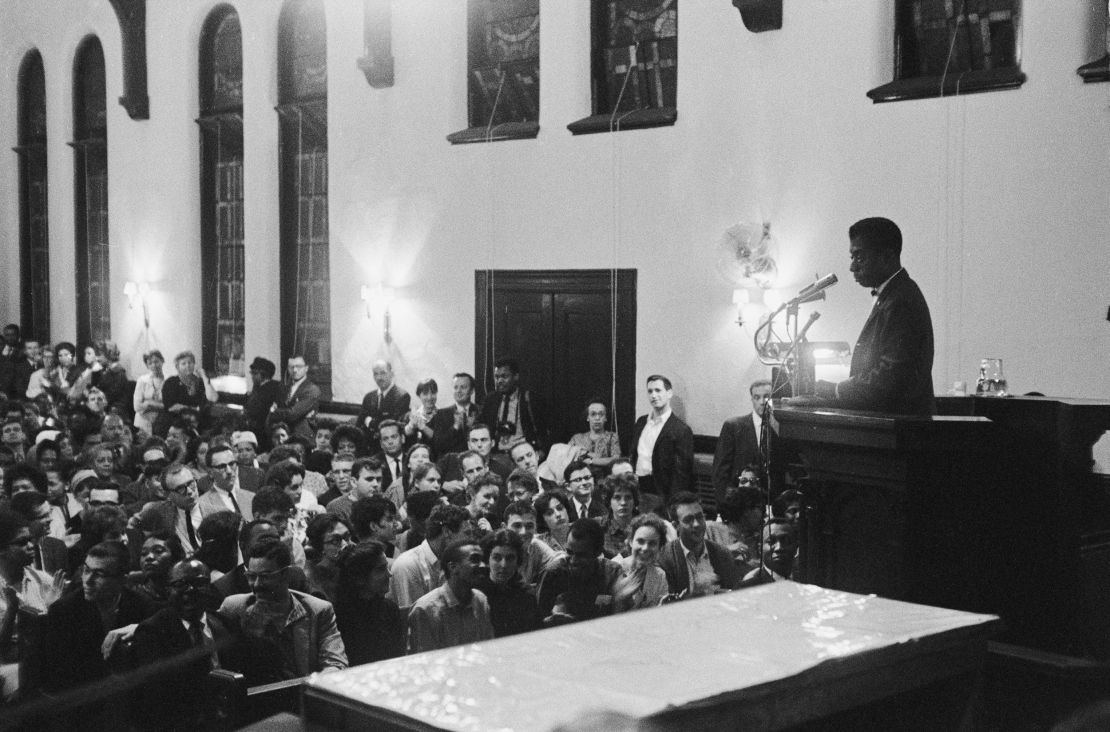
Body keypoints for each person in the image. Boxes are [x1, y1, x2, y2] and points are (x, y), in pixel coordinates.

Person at [813, 217, 935, 415]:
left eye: (859, 258)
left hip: (898, 432)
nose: (852, 267)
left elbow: (892, 376)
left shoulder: (901, 300)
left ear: (887, 256)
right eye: (852, 258)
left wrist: (836, 390)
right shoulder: (894, 295)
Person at [127, 558, 247, 729]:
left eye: (199, 583)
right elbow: (157, 699)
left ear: (209, 588)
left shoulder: (225, 624)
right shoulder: (152, 633)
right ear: (168, 591)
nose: (190, 590)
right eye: (181, 584)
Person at [37, 541, 155, 695]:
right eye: (86, 570)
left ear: (122, 580)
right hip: (84, 699)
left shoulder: (141, 604)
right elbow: (60, 674)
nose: (88, 580)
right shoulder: (63, 611)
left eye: (99, 574)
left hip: (131, 694)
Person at [218, 540, 347, 679]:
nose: (256, 584)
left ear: (286, 575)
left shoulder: (318, 611)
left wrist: (313, 683)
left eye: (265, 577)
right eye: (251, 576)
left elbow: (336, 664)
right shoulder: (234, 609)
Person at [407, 539, 494, 653]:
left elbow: (488, 648)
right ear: (453, 567)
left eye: (483, 560)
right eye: (475, 560)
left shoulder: (480, 600)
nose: (483, 566)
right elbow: (425, 662)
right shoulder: (425, 610)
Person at [535, 518, 625, 624]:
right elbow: (537, 617)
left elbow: (620, 618)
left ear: (598, 552)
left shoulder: (612, 573)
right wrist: (551, 620)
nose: (573, 560)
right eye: (569, 552)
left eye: (581, 555)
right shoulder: (554, 573)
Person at [388, 504, 472, 611]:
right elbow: (414, 619)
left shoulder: (453, 563)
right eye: (467, 533)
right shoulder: (408, 565)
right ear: (446, 532)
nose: (471, 540)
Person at [332, 542, 405, 665]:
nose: (390, 574)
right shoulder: (339, 617)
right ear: (360, 578)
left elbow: (398, 657)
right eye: (381, 569)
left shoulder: (389, 609)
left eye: (387, 567)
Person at [659, 491, 743, 597]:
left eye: (699, 517)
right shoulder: (665, 559)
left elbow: (734, 593)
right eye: (688, 520)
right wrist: (696, 592)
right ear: (676, 526)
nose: (696, 524)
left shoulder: (722, 554)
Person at [630, 375, 693, 509]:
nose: (653, 395)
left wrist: (672, 504)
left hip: (660, 493)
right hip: (636, 489)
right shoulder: (641, 422)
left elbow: (681, 474)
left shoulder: (681, 430)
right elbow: (634, 455)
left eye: (658, 390)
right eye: (650, 391)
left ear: (669, 393)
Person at [712, 379, 772, 503]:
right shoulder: (734, 426)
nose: (762, 402)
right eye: (757, 397)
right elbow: (720, 472)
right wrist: (724, 506)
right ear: (752, 400)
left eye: (766, 397)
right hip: (739, 502)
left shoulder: (780, 429)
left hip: (769, 501)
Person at [474, 529, 540, 637]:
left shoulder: (526, 595)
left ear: (517, 561)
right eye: (497, 558)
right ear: (487, 559)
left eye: (510, 558)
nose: (503, 565)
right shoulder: (476, 592)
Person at [479, 357, 548, 453]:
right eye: (497, 377)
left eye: (504, 376)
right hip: (497, 454)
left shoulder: (529, 398)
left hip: (523, 453)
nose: (499, 381)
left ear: (516, 376)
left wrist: (542, 450)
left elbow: (545, 429)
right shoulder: (490, 400)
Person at [613, 513, 670, 611]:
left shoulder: (659, 576)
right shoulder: (613, 568)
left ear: (660, 547)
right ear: (630, 541)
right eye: (640, 541)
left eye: (652, 543)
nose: (645, 548)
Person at [501, 499, 558, 590]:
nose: (523, 532)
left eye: (529, 526)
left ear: (536, 528)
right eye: (517, 526)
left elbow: (559, 560)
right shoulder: (495, 548)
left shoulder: (535, 546)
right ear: (504, 527)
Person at [357, 360, 411, 443]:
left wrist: (369, 422)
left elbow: (390, 425)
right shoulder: (368, 397)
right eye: (376, 374)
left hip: (389, 446)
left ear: (391, 374)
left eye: (383, 373)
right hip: (368, 446)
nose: (379, 378)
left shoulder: (402, 396)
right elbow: (359, 424)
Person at [199, 443, 258, 519]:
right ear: (210, 472)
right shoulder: (202, 505)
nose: (229, 471)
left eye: (232, 464)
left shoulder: (251, 497)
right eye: (222, 466)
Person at [304, 513, 354, 602]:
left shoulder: (355, 565)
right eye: (335, 541)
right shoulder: (314, 579)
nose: (346, 544)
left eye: (347, 537)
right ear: (320, 547)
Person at [269, 355, 321, 440]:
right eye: (291, 367)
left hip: (303, 437)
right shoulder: (284, 388)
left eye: (299, 367)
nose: (294, 370)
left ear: (306, 368)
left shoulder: (312, 389)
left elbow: (293, 414)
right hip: (283, 435)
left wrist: (274, 411)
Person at [430, 372, 480, 458]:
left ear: (472, 391)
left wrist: (471, 427)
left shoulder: (480, 412)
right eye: (455, 387)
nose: (458, 391)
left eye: (463, 387)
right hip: (451, 464)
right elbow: (438, 446)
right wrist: (455, 427)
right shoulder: (441, 414)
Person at [160, 350, 218, 421]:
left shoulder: (200, 381)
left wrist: (204, 376)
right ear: (177, 367)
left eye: (190, 362)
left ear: (194, 364)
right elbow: (170, 407)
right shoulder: (171, 382)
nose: (187, 366)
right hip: (175, 418)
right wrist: (192, 409)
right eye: (183, 364)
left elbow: (213, 398)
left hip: (197, 419)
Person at [741, 519, 800, 586]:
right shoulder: (748, 588)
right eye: (771, 542)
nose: (779, 547)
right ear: (760, 549)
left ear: (796, 547)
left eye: (786, 541)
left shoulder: (807, 581)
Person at [326, 455, 384, 524]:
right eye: (369, 479)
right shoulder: (337, 507)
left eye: (378, 479)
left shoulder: (386, 501)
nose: (375, 484)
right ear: (353, 482)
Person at [568, 400, 622, 470]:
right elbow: (567, 456)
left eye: (601, 414)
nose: (597, 418)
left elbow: (616, 459)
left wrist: (590, 461)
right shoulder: (577, 438)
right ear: (588, 417)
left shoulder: (612, 437)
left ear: (605, 418)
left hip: (604, 479)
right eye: (593, 414)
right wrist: (586, 453)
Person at [598, 472, 640, 558]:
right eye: (617, 497)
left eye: (628, 497)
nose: (623, 503)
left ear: (634, 500)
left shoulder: (644, 525)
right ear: (609, 501)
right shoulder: (599, 526)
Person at [244, 356, 281, 442]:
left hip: (263, 433)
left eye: (255, 373)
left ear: (264, 374)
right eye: (251, 373)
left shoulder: (273, 389)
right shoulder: (257, 387)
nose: (252, 376)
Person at [405, 378, 438, 447]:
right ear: (419, 395)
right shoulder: (412, 415)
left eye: (433, 393)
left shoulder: (443, 415)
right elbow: (405, 435)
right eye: (425, 394)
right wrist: (412, 424)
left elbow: (440, 440)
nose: (429, 397)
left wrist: (423, 427)